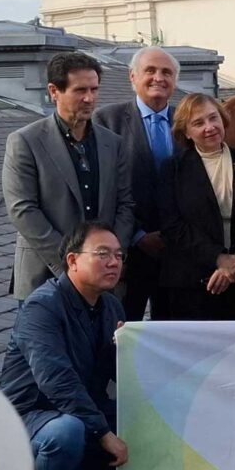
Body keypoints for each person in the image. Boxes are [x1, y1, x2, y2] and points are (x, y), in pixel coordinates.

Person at [0, 222, 129, 470]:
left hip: (76, 408)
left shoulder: (111, 306)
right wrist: (105, 434)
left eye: (119, 255)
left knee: (143, 418)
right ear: (72, 260)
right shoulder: (41, 307)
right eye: (102, 253)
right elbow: (56, 381)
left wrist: (126, 349)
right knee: (67, 432)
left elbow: (115, 373)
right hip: (27, 413)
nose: (113, 262)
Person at [3, 52, 135, 302]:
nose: (89, 98)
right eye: (80, 90)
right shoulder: (25, 141)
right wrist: (73, 263)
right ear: (54, 91)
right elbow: (22, 209)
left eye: (94, 89)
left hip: (104, 286)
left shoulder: (113, 143)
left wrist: (110, 257)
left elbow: (126, 204)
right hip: (45, 278)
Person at [93, 46, 178, 321]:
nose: (158, 78)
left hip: (176, 252)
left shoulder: (188, 121)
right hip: (128, 251)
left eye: (166, 72)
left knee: (172, 335)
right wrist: (138, 236)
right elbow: (103, 189)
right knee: (121, 332)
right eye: (150, 71)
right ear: (132, 77)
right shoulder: (106, 121)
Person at [158, 93, 235, 320]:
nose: (209, 127)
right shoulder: (173, 169)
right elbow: (172, 226)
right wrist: (218, 258)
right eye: (198, 123)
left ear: (223, 120)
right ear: (186, 133)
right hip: (192, 281)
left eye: (213, 118)